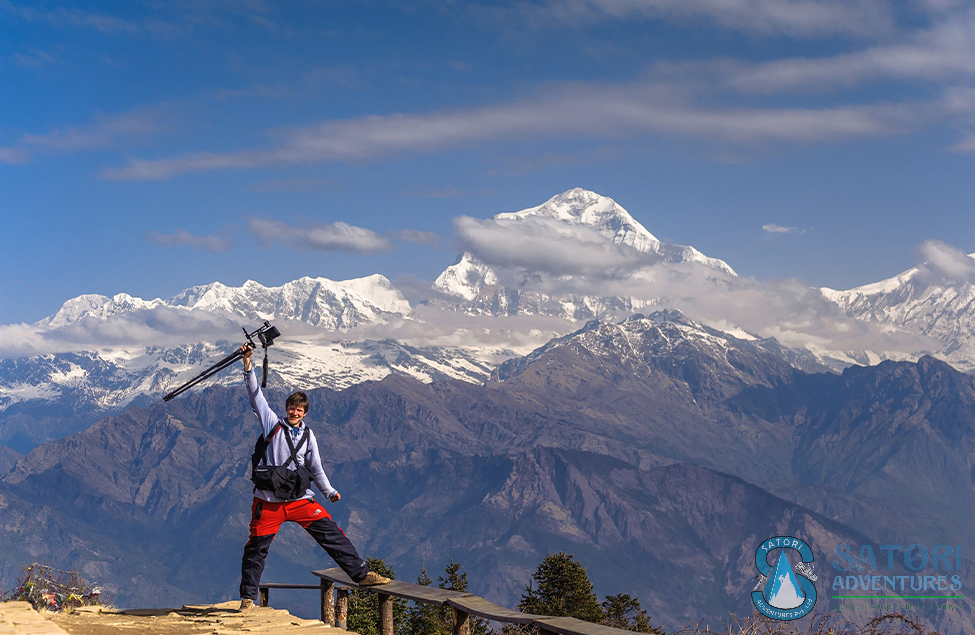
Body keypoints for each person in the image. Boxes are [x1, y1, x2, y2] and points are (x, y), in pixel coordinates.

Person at [238, 344, 389, 612]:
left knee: (331, 534)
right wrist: (248, 365)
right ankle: (248, 598)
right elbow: (255, 396)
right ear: (286, 409)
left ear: (305, 413)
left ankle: (361, 574)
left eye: (299, 409)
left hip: (298, 499)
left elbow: (316, 468)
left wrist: (329, 492)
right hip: (269, 500)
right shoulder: (272, 424)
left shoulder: (309, 437)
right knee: (256, 549)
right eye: (292, 408)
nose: (294, 412)